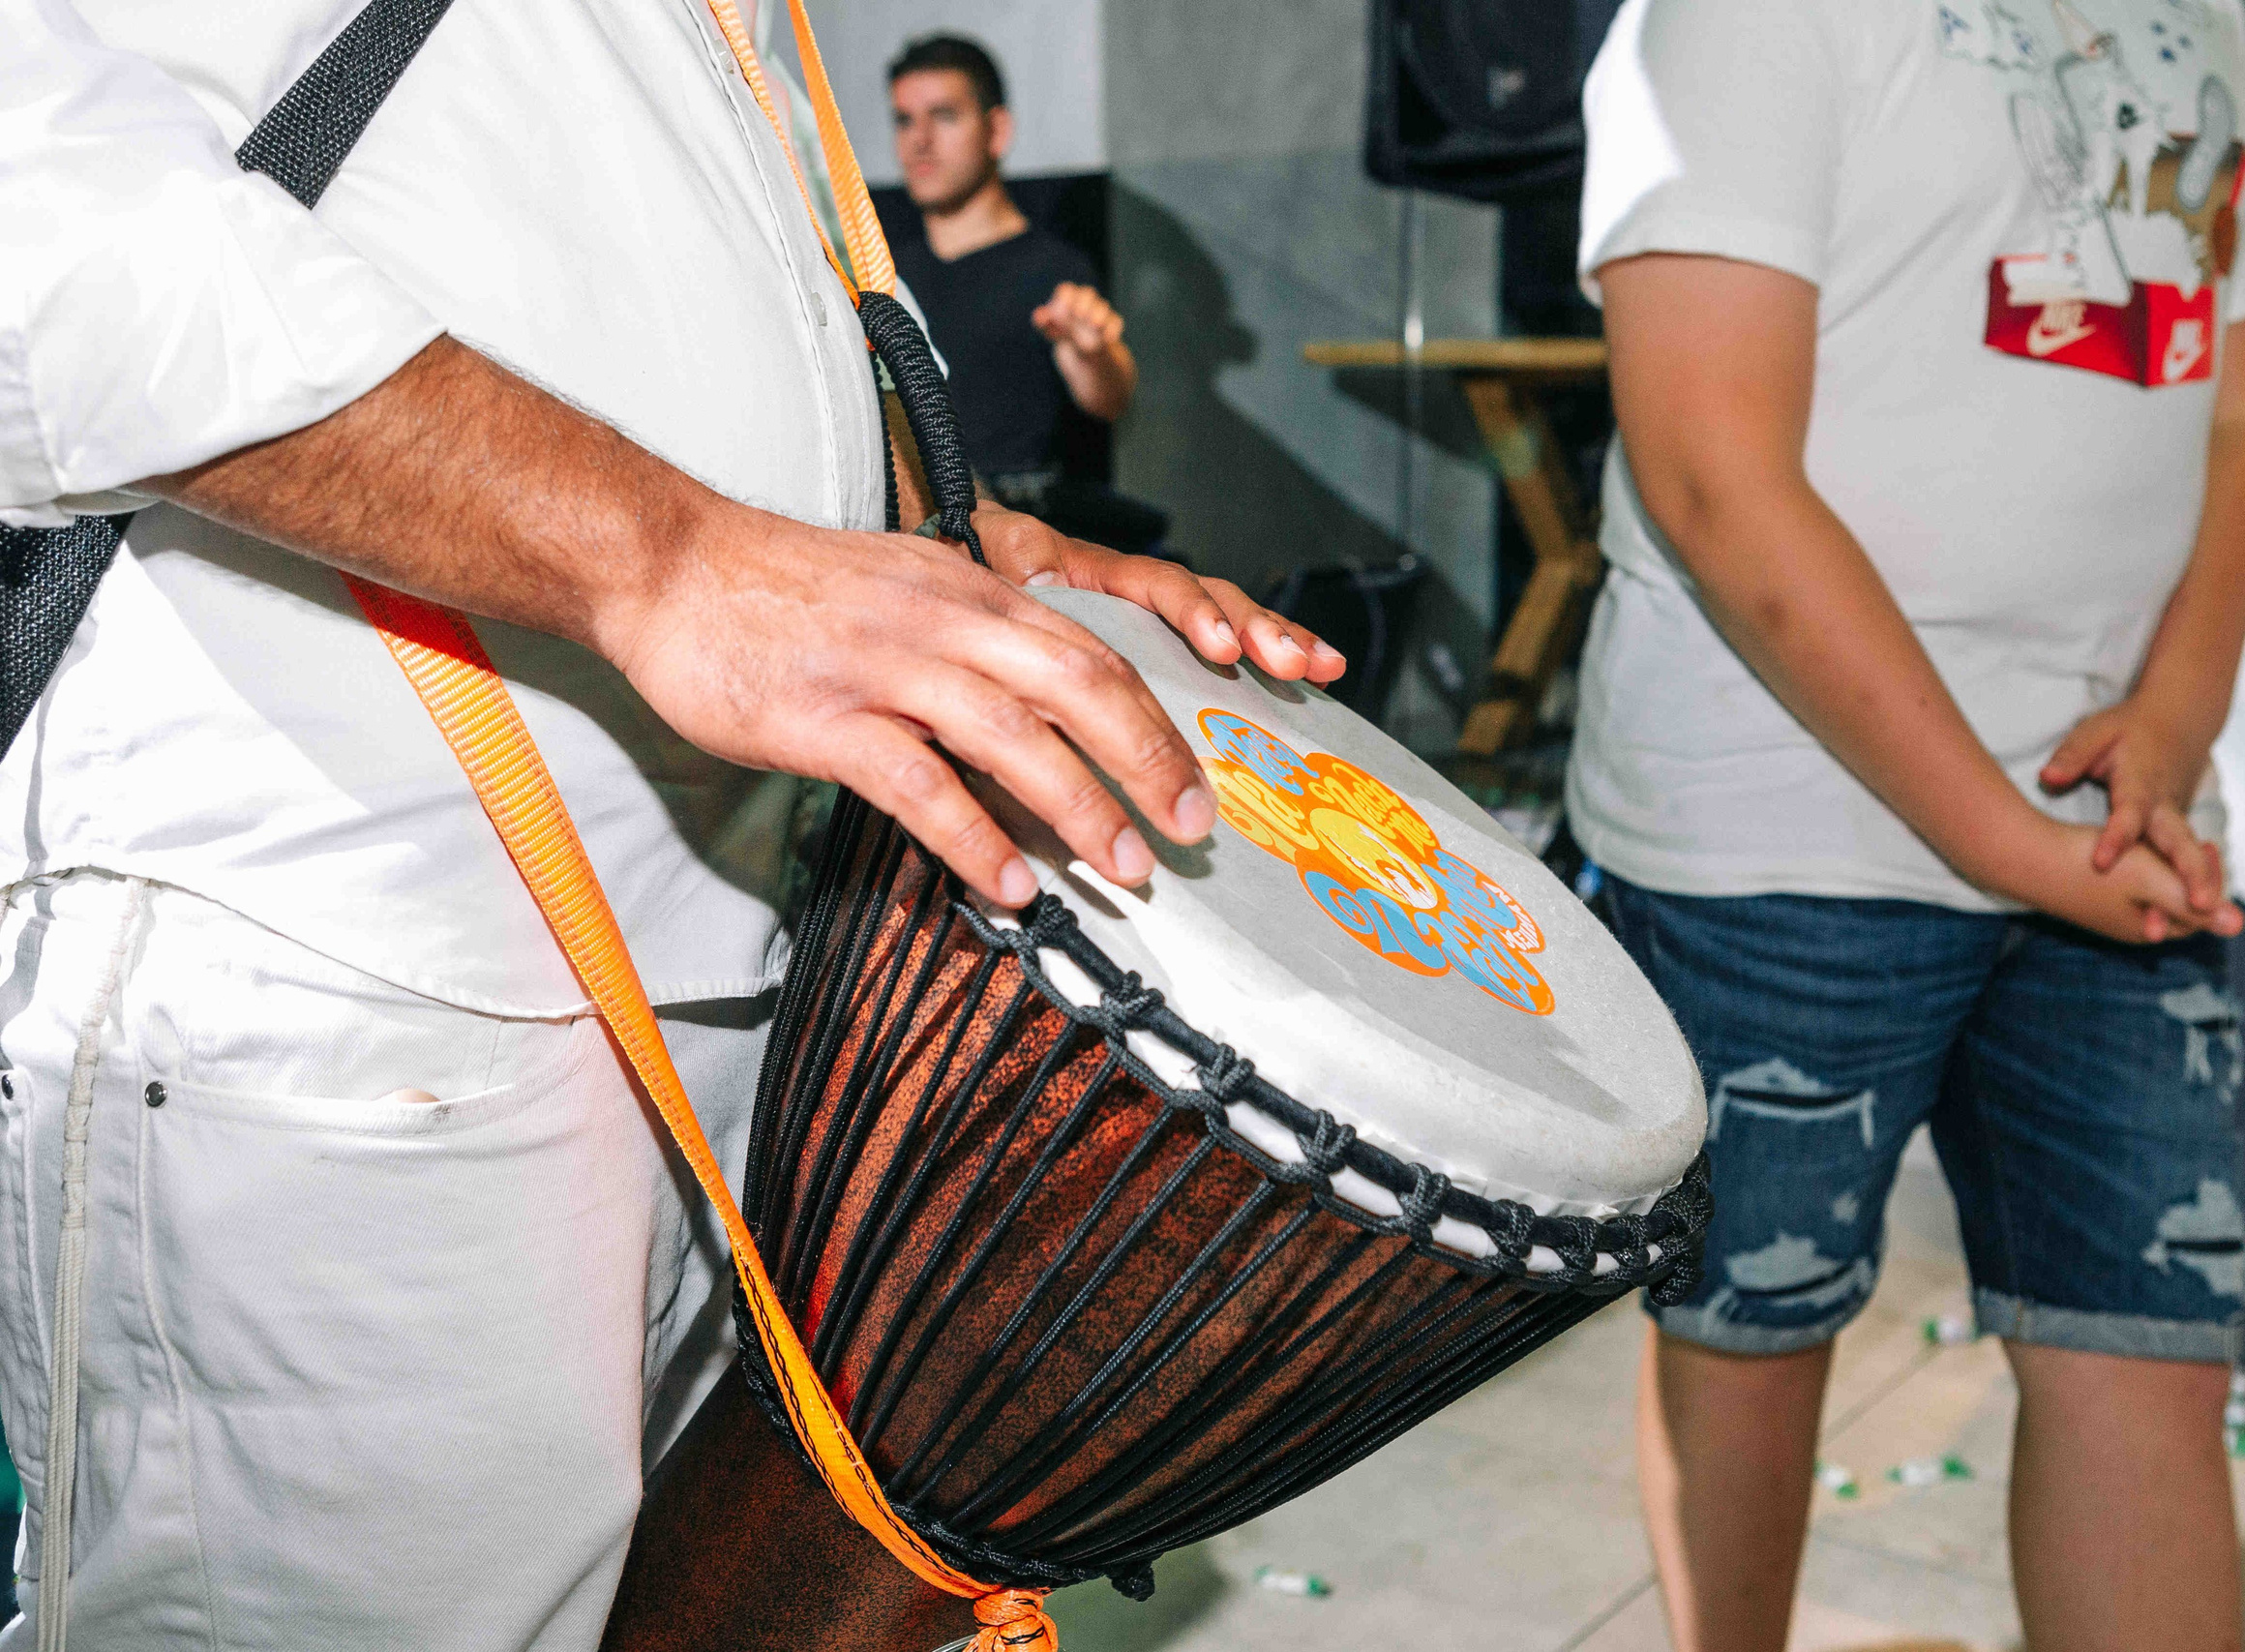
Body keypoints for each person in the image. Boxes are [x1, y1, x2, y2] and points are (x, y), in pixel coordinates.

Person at [0, 4, 1341, 1647]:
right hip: (359, 982)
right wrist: (663, 555)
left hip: (718, 964)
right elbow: (39, 224)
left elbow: (583, 272)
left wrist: (958, 544)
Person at [1566, 0, 2245, 1647]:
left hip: (2116, 819)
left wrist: (2169, 726)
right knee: (1750, 1340)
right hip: (1782, 822)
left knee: (2149, 1352)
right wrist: (2004, 837)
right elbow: (1708, 468)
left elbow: (2239, 416)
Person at [883, 35, 1147, 540]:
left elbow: (1108, 395)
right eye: (903, 120)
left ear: (996, 130)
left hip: (1029, 538)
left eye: (943, 116)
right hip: (915, 542)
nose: (919, 139)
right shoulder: (885, 277)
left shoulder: (1054, 272)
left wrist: (1092, 352)